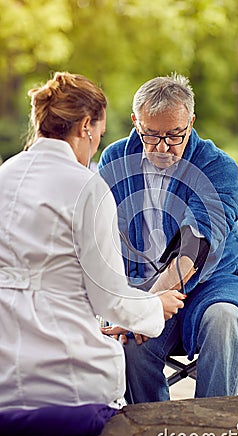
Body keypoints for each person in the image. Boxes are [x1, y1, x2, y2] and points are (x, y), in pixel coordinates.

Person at [0, 72, 185, 412]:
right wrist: (156, 306)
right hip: (65, 382)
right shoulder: (88, 187)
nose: (95, 147)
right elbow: (110, 298)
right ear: (85, 125)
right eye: (98, 135)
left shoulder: (4, 175)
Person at [98, 74, 238, 402]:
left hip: (213, 284)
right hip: (142, 281)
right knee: (130, 345)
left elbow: (193, 246)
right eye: (151, 136)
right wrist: (130, 304)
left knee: (224, 322)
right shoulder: (114, 160)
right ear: (135, 122)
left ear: (191, 122)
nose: (163, 147)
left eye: (174, 135)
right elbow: (101, 234)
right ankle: (155, 430)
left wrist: (144, 307)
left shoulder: (218, 167)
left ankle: (214, 427)